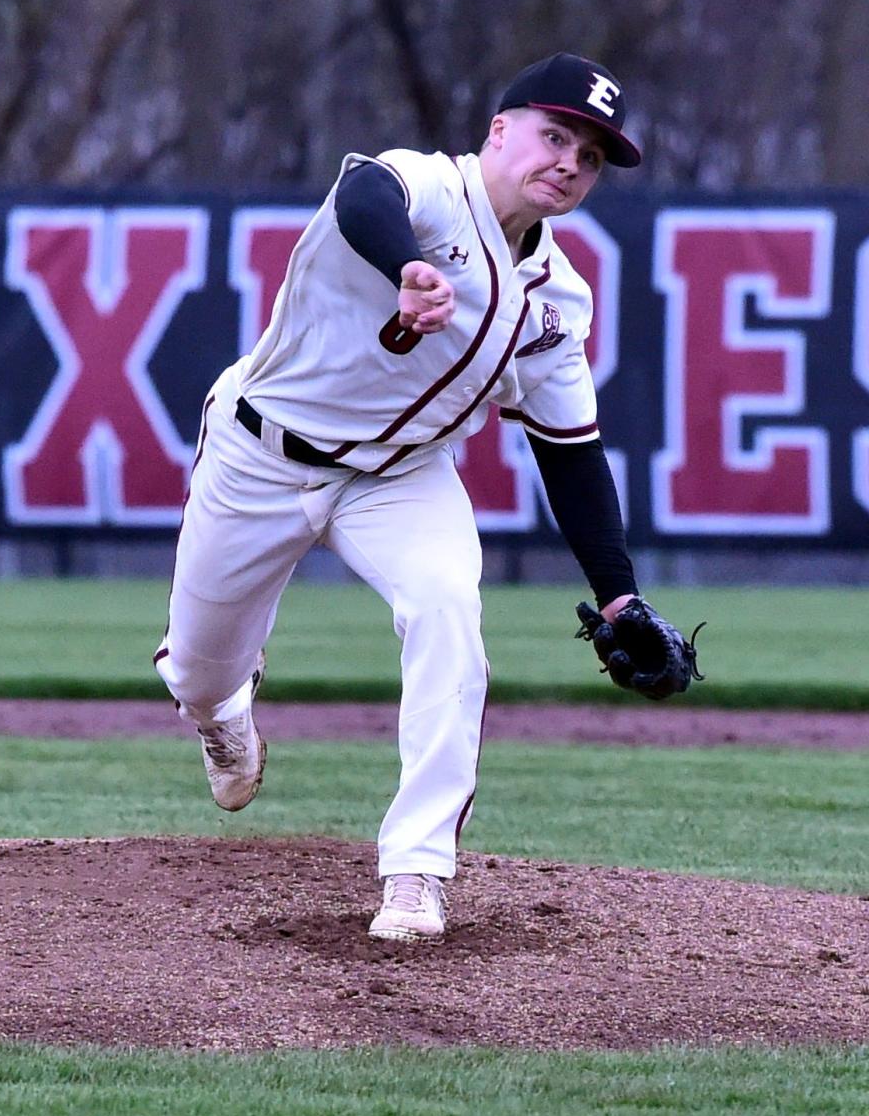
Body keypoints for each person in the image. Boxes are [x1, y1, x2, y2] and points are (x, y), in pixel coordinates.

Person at [153, 51, 649, 941]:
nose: (572, 161)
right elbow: (363, 198)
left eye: (591, 154)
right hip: (262, 452)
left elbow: (572, 452)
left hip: (399, 477)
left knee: (448, 606)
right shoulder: (427, 188)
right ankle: (223, 714)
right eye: (555, 134)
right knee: (197, 668)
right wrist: (407, 269)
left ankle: (417, 871)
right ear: (499, 132)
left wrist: (618, 593)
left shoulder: (558, 301)